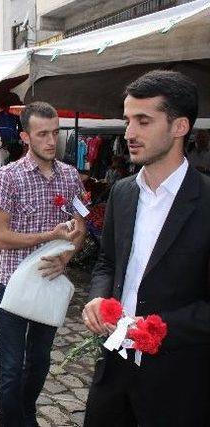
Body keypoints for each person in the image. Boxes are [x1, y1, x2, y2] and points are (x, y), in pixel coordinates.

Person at [82, 70, 210, 426]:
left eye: (143, 121)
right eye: (128, 120)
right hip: (113, 371)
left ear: (179, 126)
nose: (129, 134)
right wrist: (98, 298)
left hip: (178, 383)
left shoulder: (206, 202)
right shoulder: (122, 192)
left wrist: (156, 327)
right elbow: (107, 262)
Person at [0, 101, 86, 427]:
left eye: (55, 133)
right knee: (11, 368)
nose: (51, 140)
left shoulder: (71, 177)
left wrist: (67, 256)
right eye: (42, 134)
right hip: (14, 285)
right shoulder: (8, 177)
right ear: (25, 137)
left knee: (40, 363)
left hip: (49, 283)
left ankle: (25, 413)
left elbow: (81, 225)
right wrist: (49, 235)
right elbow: (0, 237)